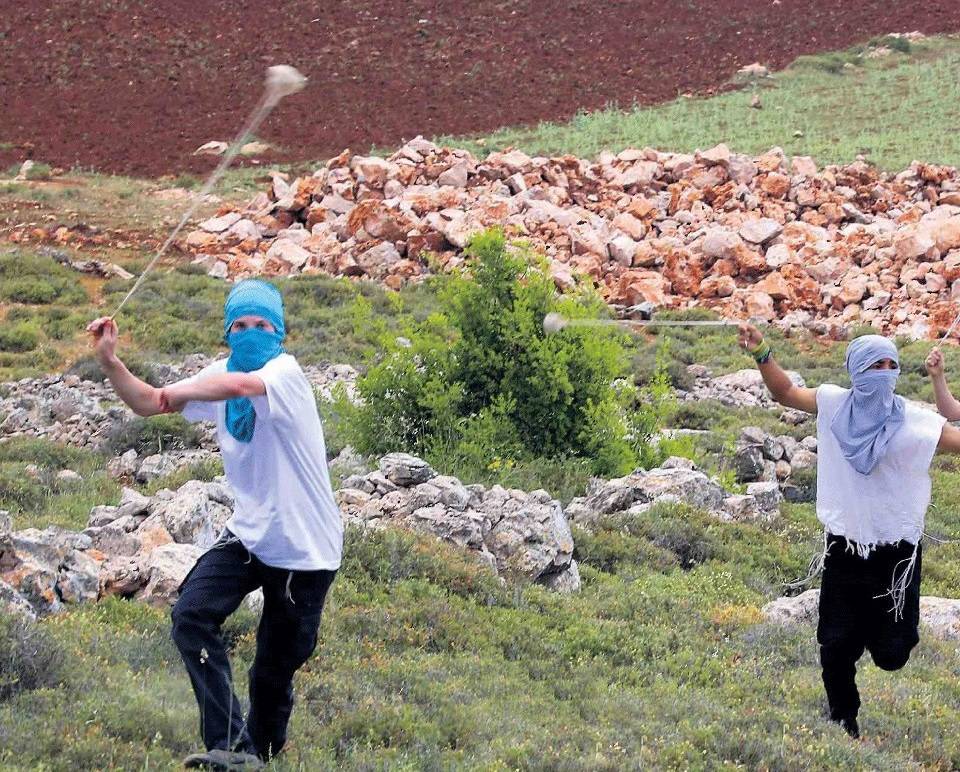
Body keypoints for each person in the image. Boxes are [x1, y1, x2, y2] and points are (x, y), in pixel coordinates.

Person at [87, 279, 343, 771]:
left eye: (261, 325)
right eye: (239, 326)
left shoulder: (285, 373)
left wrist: (173, 392)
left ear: (280, 331)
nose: (250, 334)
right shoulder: (218, 374)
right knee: (191, 615)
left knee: (271, 673)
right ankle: (229, 747)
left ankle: (260, 754)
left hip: (305, 549)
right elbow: (149, 403)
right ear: (227, 332)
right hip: (250, 535)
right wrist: (111, 362)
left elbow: (240, 387)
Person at [737, 323, 960, 739]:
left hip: (896, 555)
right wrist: (762, 352)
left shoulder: (914, 422)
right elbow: (785, 392)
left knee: (893, 654)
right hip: (845, 546)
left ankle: (876, 635)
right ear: (857, 370)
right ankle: (844, 719)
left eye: (892, 365)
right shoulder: (834, 404)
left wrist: (939, 383)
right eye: (877, 365)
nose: (886, 373)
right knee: (835, 644)